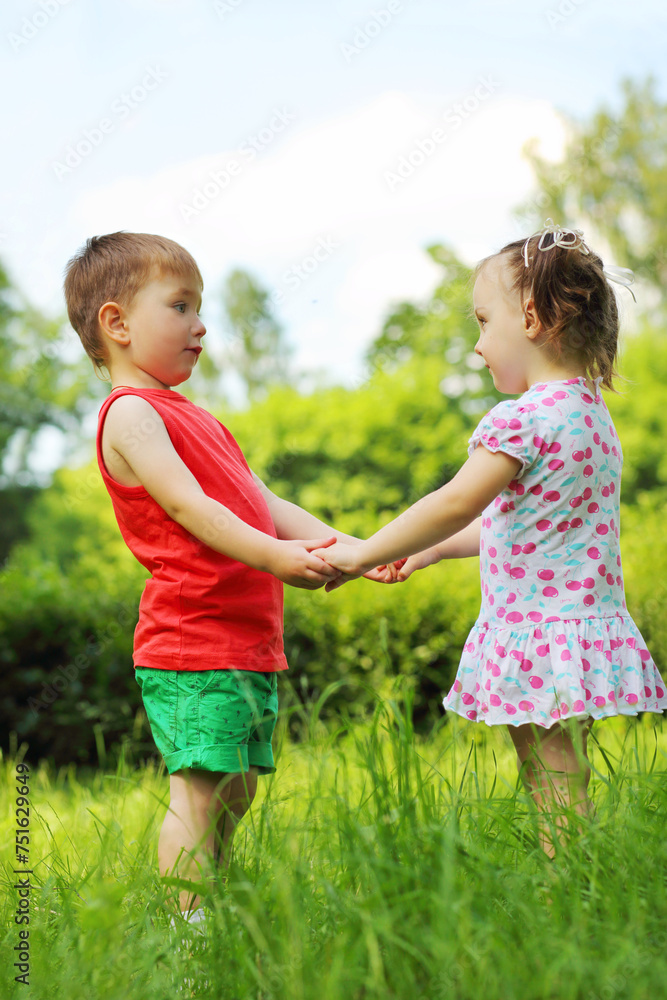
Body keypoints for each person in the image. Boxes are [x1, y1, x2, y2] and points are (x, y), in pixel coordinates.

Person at [63, 231, 393, 927]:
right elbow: (191, 508)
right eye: (180, 306)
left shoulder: (198, 419)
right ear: (116, 323)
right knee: (202, 792)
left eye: (200, 307)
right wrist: (276, 558)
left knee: (236, 789)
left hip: (244, 639)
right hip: (191, 640)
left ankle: (212, 906)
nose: (200, 324)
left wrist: (357, 548)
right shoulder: (131, 414)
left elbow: (262, 502)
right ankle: (188, 937)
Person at [316, 220, 667, 856]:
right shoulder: (588, 412)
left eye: (483, 322)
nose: (477, 346)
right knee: (556, 772)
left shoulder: (522, 417)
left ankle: (573, 892)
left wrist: (367, 549)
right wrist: (425, 552)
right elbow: (515, 524)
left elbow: (456, 500)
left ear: (530, 317)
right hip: (574, 627)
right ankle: (571, 876)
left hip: (538, 629)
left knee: (554, 778)